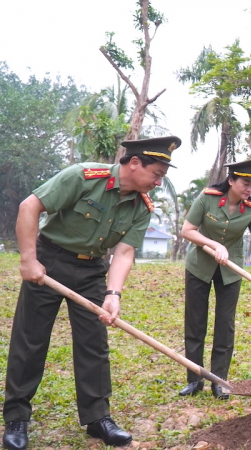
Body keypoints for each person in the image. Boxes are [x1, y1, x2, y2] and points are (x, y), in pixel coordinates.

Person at [2, 136, 181, 449]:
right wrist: (28, 259)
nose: (158, 181)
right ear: (135, 162)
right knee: (30, 340)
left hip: (91, 270)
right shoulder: (84, 177)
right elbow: (30, 207)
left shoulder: (141, 206)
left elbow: (124, 253)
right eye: (156, 173)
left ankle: (98, 418)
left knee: (94, 343)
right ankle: (17, 418)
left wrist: (113, 293)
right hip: (50, 259)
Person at [179, 159, 251, 400]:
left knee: (225, 324)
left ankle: (219, 381)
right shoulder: (207, 198)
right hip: (199, 266)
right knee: (195, 322)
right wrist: (213, 244)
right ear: (231, 180)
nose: (249, 189)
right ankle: (194, 378)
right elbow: (187, 230)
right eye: (245, 183)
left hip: (230, 272)